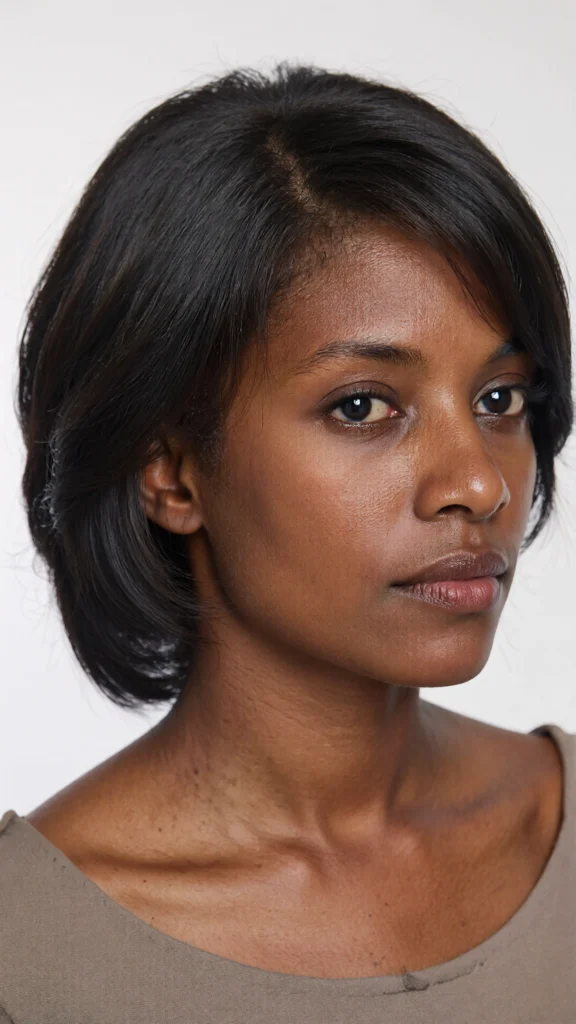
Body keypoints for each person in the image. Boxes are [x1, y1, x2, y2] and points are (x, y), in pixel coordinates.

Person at [0, 63, 573, 1023]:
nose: (480, 483)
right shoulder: (27, 956)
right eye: (363, 407)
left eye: (499, 398)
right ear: (171, 471)